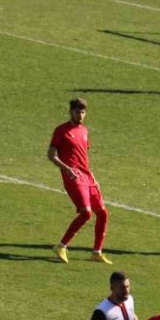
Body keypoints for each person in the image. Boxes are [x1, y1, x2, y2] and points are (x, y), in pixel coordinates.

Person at [47, 97, 111, 264]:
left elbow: (83, 156)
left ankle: (96, 252)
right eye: (77, 112)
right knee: (86, 213)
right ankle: (61, 246)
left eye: (83, 112)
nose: (80, 115)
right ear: (70, 112)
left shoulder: (84, 131)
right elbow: (51, 155)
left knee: (103, 213)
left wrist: (92, 176)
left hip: (87, 176)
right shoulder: (61, 131)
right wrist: (66, 169)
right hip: (73, 177)